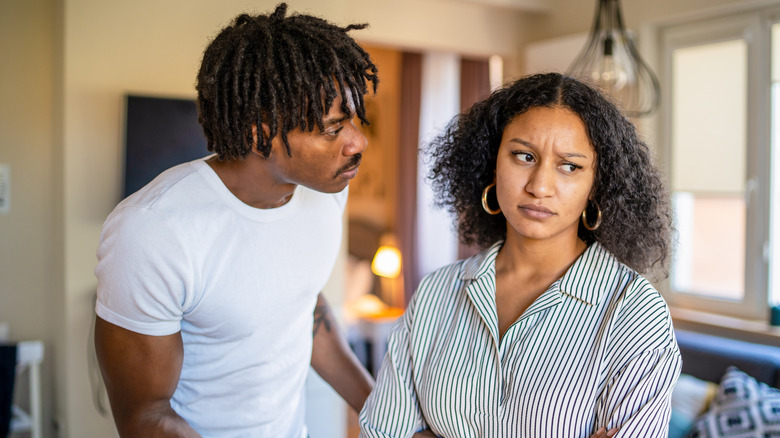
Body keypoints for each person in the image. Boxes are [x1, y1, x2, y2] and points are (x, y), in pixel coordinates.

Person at [94, 3, 379, 437]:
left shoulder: (326, 194)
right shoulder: (153, 231)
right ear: (259, 133)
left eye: (355, 119)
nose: (358, 141)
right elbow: (145, 416)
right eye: (332, 128)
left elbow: (305, 312)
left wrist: (388, 412)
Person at [359, 72, 681, 438]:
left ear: (597, 185)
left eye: (570, 166)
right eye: (524, 156)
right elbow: (380, 432)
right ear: (492, 163)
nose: (539, 186)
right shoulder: (436, 294)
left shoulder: (634, 313)